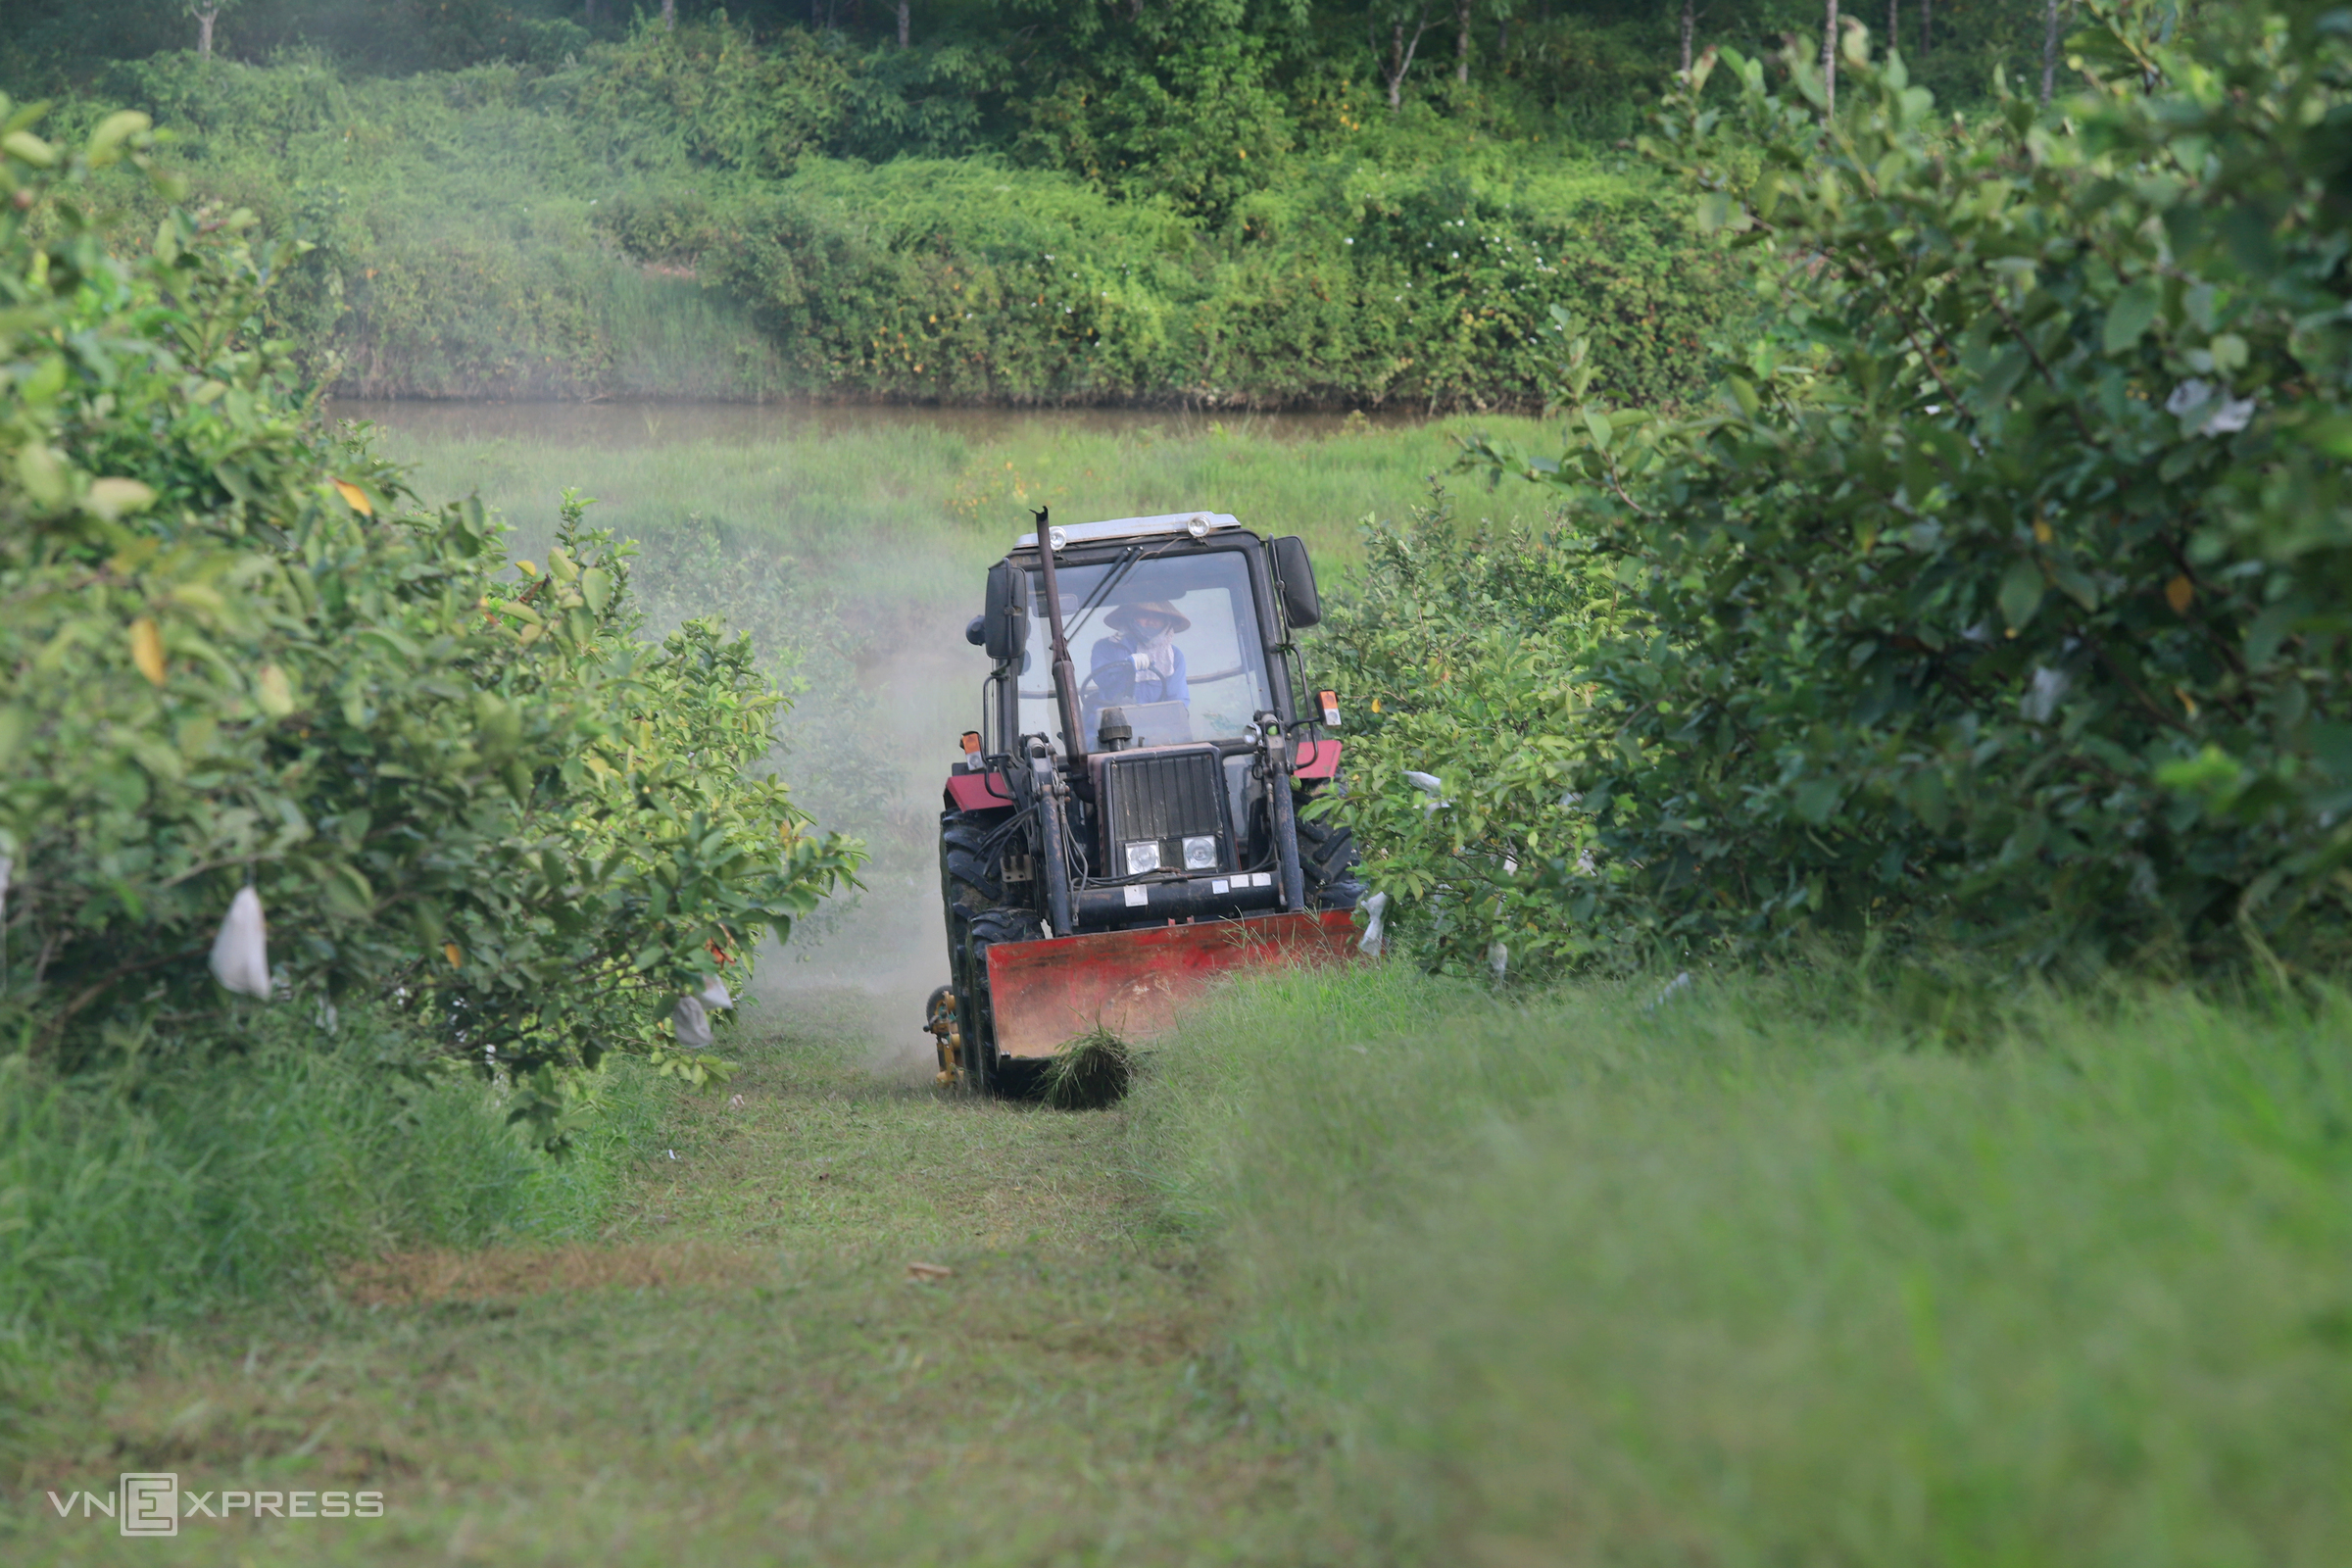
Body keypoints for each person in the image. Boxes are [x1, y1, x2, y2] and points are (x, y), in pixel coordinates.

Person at [1089, 600, 1191, 711]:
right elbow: (1101, 679)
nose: (1151, 622)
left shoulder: (1174, 655)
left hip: (1157, 719)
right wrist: (1125, 667)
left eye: (1158, 616)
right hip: (1112, 718)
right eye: (1143, 615)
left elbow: (1178, 699)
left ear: (1167, 621)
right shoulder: (1105, 646)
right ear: (1130, 618)